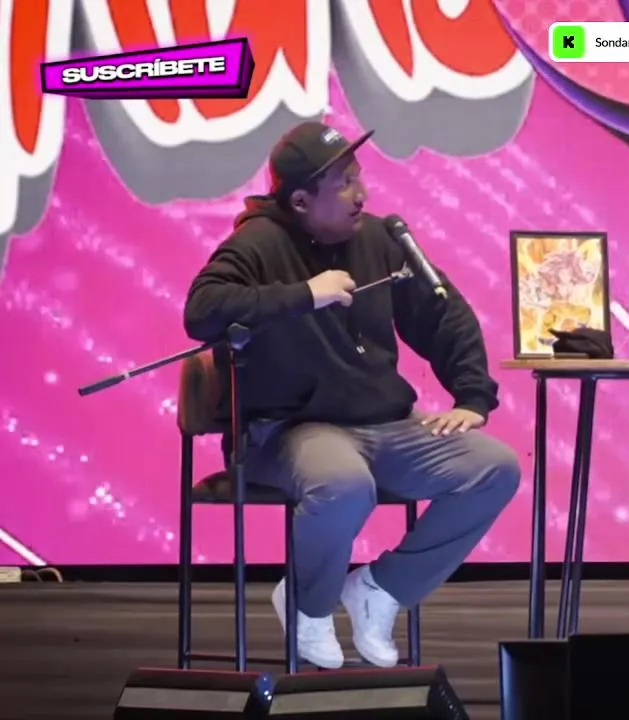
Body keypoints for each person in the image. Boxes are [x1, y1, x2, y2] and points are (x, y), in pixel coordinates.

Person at [182, 121, 521, 669]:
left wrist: (471, 396)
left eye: (358, 177)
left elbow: (444, 314)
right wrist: (302, 295)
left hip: (386, 425)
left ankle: (380, 590)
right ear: (300, 200)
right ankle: (309, 606)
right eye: (343, 184)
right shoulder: (258, 242)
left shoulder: (380, 239)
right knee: (343, 485)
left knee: (494, 468)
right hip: (291, 430)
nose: (361, 193)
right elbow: (202, 312)